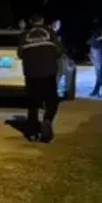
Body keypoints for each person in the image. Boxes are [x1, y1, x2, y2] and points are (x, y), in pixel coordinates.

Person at [17, 12, 64, 141]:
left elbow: (20, 54)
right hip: (48, 73)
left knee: (32, 103)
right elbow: (59, 51)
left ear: (31, 22)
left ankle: (32, 131)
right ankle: (47, 120)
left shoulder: (25, 35)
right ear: (42, 20)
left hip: (31, 73)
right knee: (51, 101)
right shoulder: (50, 33)